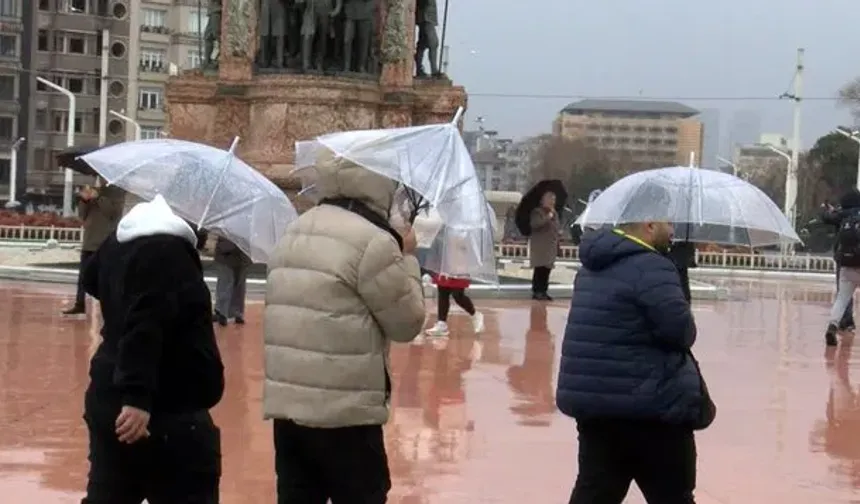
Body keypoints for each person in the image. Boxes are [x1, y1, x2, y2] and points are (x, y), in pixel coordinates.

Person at [263, 150, 426, 503]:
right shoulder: (373, 242)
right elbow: (407, 323)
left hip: (289, 410)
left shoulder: (295, 229)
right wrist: (408, 257)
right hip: (346, 414)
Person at [80, 194, 225, 503]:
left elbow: (91, 279)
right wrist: (137, 398)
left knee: (110, 491)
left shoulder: (122, 240)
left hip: (108, 394)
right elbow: (145, 324)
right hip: (162, 407)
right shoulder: (168, 252)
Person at [556, 214, 711, 503]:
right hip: (651, 407)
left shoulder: (592, 267)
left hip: (597, 406)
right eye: (669, 223)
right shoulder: (653, 266)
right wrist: (677, 278)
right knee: (672, 495)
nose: (673, 230)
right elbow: (680, 332)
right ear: (649, 225)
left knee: (595, 493)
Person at [63, 180, 125, 316]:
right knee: (83, 276)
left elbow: (112, 213)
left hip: (105, 242)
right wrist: (84, 200)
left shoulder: (118, 193)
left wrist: (99, 198)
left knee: (105, 277)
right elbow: (82, 215)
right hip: (89, 241)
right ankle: (80, 303)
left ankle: (108, 307)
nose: (101, 179)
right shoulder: (94, 191)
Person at [824, 189, 860, 346]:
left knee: (842, 298)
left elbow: (826, 218)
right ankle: (849, 324)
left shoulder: (843, 216)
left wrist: (829, 210)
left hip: (846, 264)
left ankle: (833, 325)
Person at [425, 273, 484, 337]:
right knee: (443, 290)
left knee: (457, 294)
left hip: (459, 268)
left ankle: (475, 314)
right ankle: (441, 323)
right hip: (445, 266)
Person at [213, 236, 251, 326]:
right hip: (243, 254)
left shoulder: (225, 224)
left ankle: (222, 312)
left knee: (225, 283)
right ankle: (236, 313)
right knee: (238, 285)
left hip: (226, 255)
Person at [529, 191, 559, 301]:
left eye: (553, 200)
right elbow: (535, 224)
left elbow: (555, 227)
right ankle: (537, 291)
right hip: (540, 247)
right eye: (550, 199)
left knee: (547, 270)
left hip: (550, 246)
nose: (552, 202)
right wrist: (548, 217)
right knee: (539, 269)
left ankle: (544, 291)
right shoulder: (537, 212)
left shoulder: (554, 213)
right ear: (543, 201)